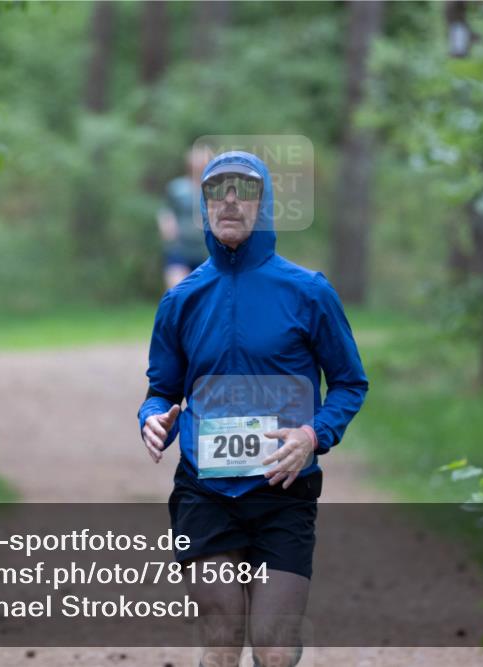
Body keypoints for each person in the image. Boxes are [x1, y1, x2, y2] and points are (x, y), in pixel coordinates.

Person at [137, 150, 368, 667]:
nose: (230, 201)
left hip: (283, 492)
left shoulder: (309, 293)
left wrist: (313, 435)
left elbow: (350, 383)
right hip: (206, 492)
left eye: (244, 189)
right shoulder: (181, 300)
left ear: (265, 203)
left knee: (274, 646)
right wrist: (152, 419)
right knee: (222, 641)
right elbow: (161, 390)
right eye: (217, 190)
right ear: (203, 205)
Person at [157, 148, 212, 290]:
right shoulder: (177, 187)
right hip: (179, 248)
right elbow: (166, 210)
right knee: (177, 291)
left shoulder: (215, 190)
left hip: (205, 251)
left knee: (202, 295)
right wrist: (166, 226)